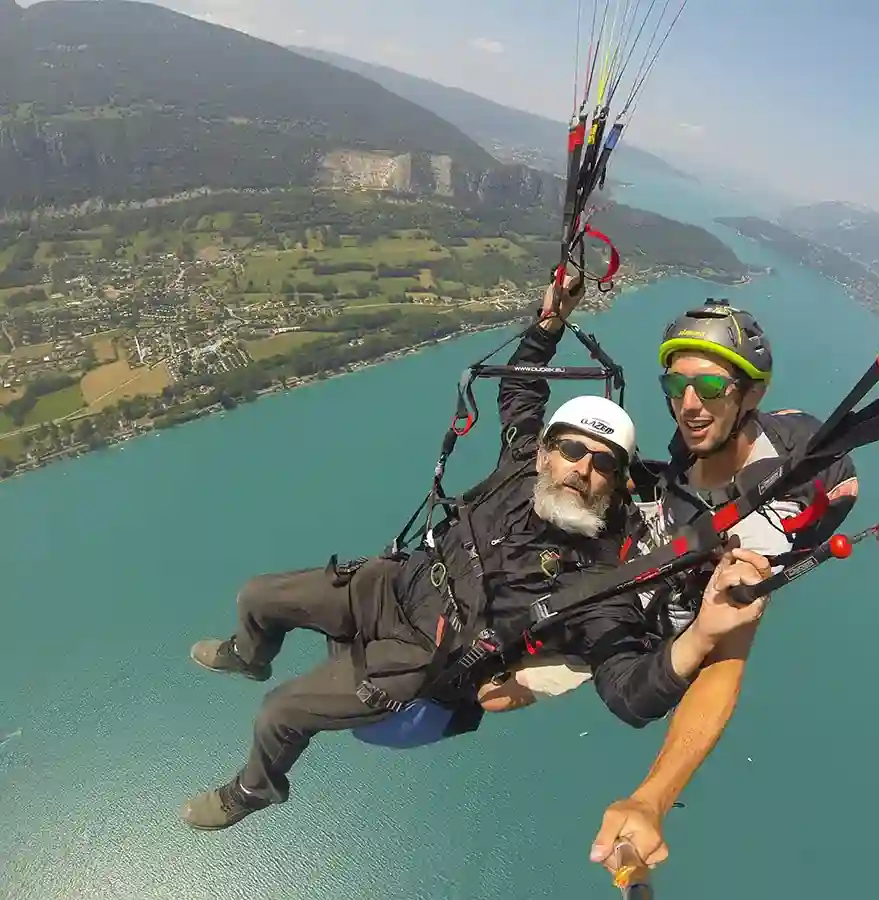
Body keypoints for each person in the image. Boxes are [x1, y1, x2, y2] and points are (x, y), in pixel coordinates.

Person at [179, 279, 768, 831]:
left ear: (615, 483)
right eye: (570, 451)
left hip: (418, 655)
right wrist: (549, 322)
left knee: (279, 713)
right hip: (392, 584)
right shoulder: (519, 469)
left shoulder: (598, 581)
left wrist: (696, 641)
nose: (582, 470)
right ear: (543, 455)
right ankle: (250, 653)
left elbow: (630, 692)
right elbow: (520, 388)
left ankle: (254, 789)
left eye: (603, 463)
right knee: (256, 596)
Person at [587, 298, 861, 871]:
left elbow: (724, 665)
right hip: (689, 511)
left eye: (710, 387)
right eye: (675, 384)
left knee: (604, 695)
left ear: (751, 394)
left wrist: (652, 797)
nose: (688, 405)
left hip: (680, 599)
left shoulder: (753, 539)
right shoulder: (707, 442)